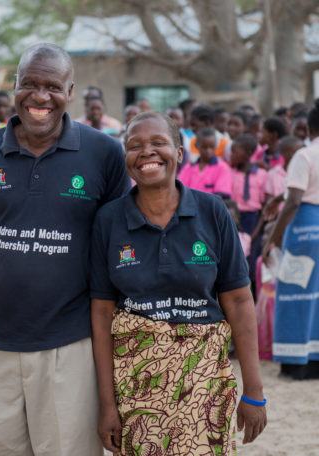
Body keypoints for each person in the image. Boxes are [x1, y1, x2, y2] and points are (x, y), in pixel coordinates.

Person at [0, 43, 129, 456]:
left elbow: (118, 254)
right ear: (15, 86)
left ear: (71, 92)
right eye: (30, 84)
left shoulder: (105, 154)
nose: (40, 97)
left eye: (53, 86)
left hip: (71, 348)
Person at [90, 112, 266, 455]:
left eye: (158, 143)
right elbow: (101, 313)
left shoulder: (212, 212)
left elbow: (240, 302)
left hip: (204, 382)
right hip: (136, 384)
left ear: (180, 151)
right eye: (134, 145)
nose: (146, 152)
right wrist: (107, 405)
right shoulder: (109, 220)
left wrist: (254, 390)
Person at [263, 99, 319, 380]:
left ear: (308, 128)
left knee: (296, 293)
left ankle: (298, 362)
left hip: (305, 229)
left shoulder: (305, 155)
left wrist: (272, 238)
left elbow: (296, 199)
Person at [230, 134, 267, 283]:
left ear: (248, 153)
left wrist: (255, 234)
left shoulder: (262, 175)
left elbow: (264, 208)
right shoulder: (230, 173)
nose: (231, 155)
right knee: (235, 261)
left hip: (253, 221)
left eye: (234, 151)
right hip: (234, 219)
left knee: (251, 263)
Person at [178, 127, 232, 197]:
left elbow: (221, 195)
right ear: (196, 146)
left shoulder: (223, 168)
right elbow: (180, 190)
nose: (208, 150)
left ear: (216, 146)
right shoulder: (189, 167)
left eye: (211, 147)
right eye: (204, 147)